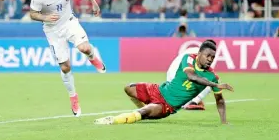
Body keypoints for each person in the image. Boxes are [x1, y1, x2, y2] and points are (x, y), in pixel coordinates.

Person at [94, 40, 234, 125]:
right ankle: (148, 107)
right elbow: (191, 76)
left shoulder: (212, 76)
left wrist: (223, 121)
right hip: (159, 90)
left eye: (213, 57)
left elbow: (220, 101)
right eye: (208, 55)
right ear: (199, 54)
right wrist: (215, 85)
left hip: (167, 106)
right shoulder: (188, 58)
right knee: (128, 88)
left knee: (142, 112)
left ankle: (112, 121)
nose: (210, 59)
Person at [29, 0, 106, 117]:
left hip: (69, 22)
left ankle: (93, 58)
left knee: (84, 48)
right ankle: (73, 97)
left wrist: (94, 3)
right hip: (52, 31)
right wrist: (45, 17)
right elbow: (33, 13)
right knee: (65, 67)